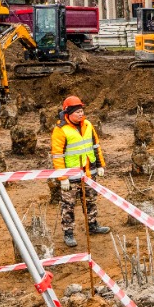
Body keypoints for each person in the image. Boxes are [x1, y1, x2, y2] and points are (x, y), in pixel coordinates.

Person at [51, 95, 111, 248]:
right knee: (68, 205)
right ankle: (68, 233)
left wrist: (100, 165)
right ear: (68, 113)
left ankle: (92, 225)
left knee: (90, 201)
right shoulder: (60, 130)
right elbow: (57, 155)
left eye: (81, 111)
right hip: (71, 176)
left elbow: (96, 146)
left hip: (88, 173)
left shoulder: (88, 125)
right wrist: (63, 177)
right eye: (77, 111)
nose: (80, 114)